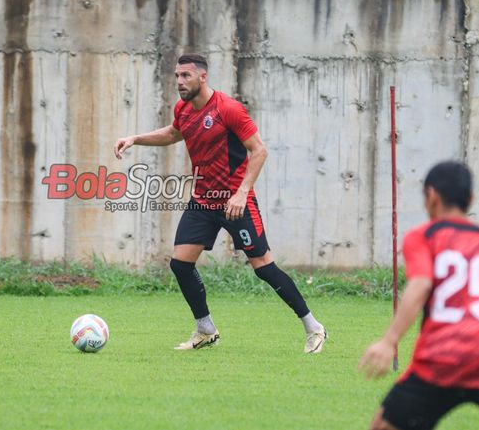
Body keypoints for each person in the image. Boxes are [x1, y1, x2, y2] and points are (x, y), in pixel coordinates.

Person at [113, 54, 327, 353]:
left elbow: (260, 151)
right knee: (180, 264)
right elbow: (174, 133)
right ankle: (205, 329)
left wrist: (241, 193)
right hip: (203, 201)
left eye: (185, 76)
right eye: (176, 76)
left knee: (264, 267)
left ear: (203, 77)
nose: (179, 82)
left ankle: (313, 327)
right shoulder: (183, 109)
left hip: (235, 202)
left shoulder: (229, 109)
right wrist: (135, 138)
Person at [359, 161, 479, 430]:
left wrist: (389, 341)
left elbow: (420, 284)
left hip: (439, 360)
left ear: (431, 196)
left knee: (383, 425)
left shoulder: (424, 236)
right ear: (471, 199)